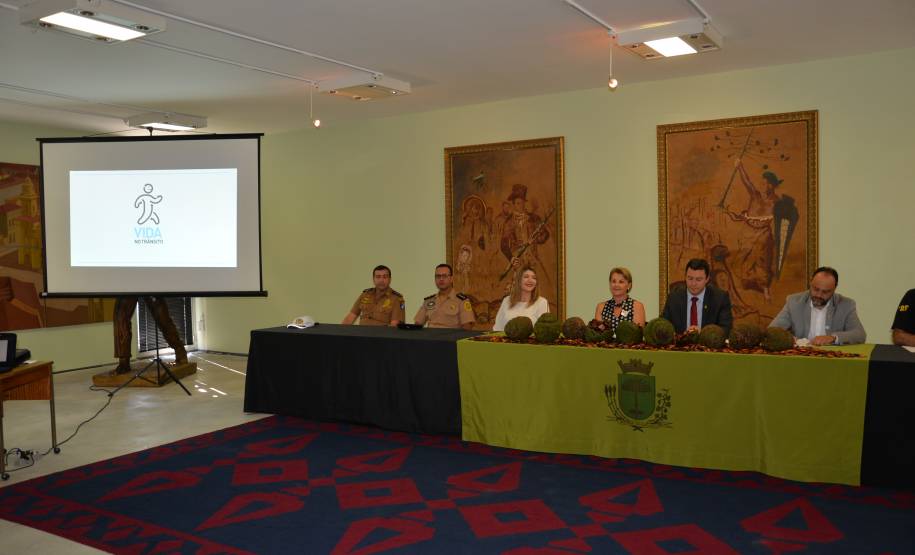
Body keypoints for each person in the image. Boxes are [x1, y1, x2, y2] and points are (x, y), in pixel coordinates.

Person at [769, 266, 866, 345]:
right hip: (801, 359)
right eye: (816, 289)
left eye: (825, 292)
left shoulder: (846, 305)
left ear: (834, 289)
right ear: (810, 283)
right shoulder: (794, 302)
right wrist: (788, 338)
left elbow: (860, 334)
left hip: (833, 360)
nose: (819, 295)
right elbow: (772, 330)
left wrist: (833, 338)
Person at [662, 258, 734, 335]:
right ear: (685, 277)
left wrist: (703, 333)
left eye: (698, 280)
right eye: (690, 278)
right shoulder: (674, 298)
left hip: (708, 345)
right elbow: (663, 325)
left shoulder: (720, 299)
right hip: (681, 346)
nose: (693, 284)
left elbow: (725, 329)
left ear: (707, 279)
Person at [414, 263, 475, 329]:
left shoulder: (462, 300)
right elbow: (418, 323)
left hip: (450, 338)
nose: (441, 279)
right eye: (438, 276)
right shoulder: (429, 301)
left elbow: (467, 325)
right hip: (430, 337)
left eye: (444, 276)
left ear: (451, 279)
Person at [492, 265, 549, 331]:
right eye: (526, 277)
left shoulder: (542, 302)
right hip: (506, 340)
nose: (530, 280)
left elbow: (544, 330)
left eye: (534, 278)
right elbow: (497, 328)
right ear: (518, 280)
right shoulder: (506, 300)